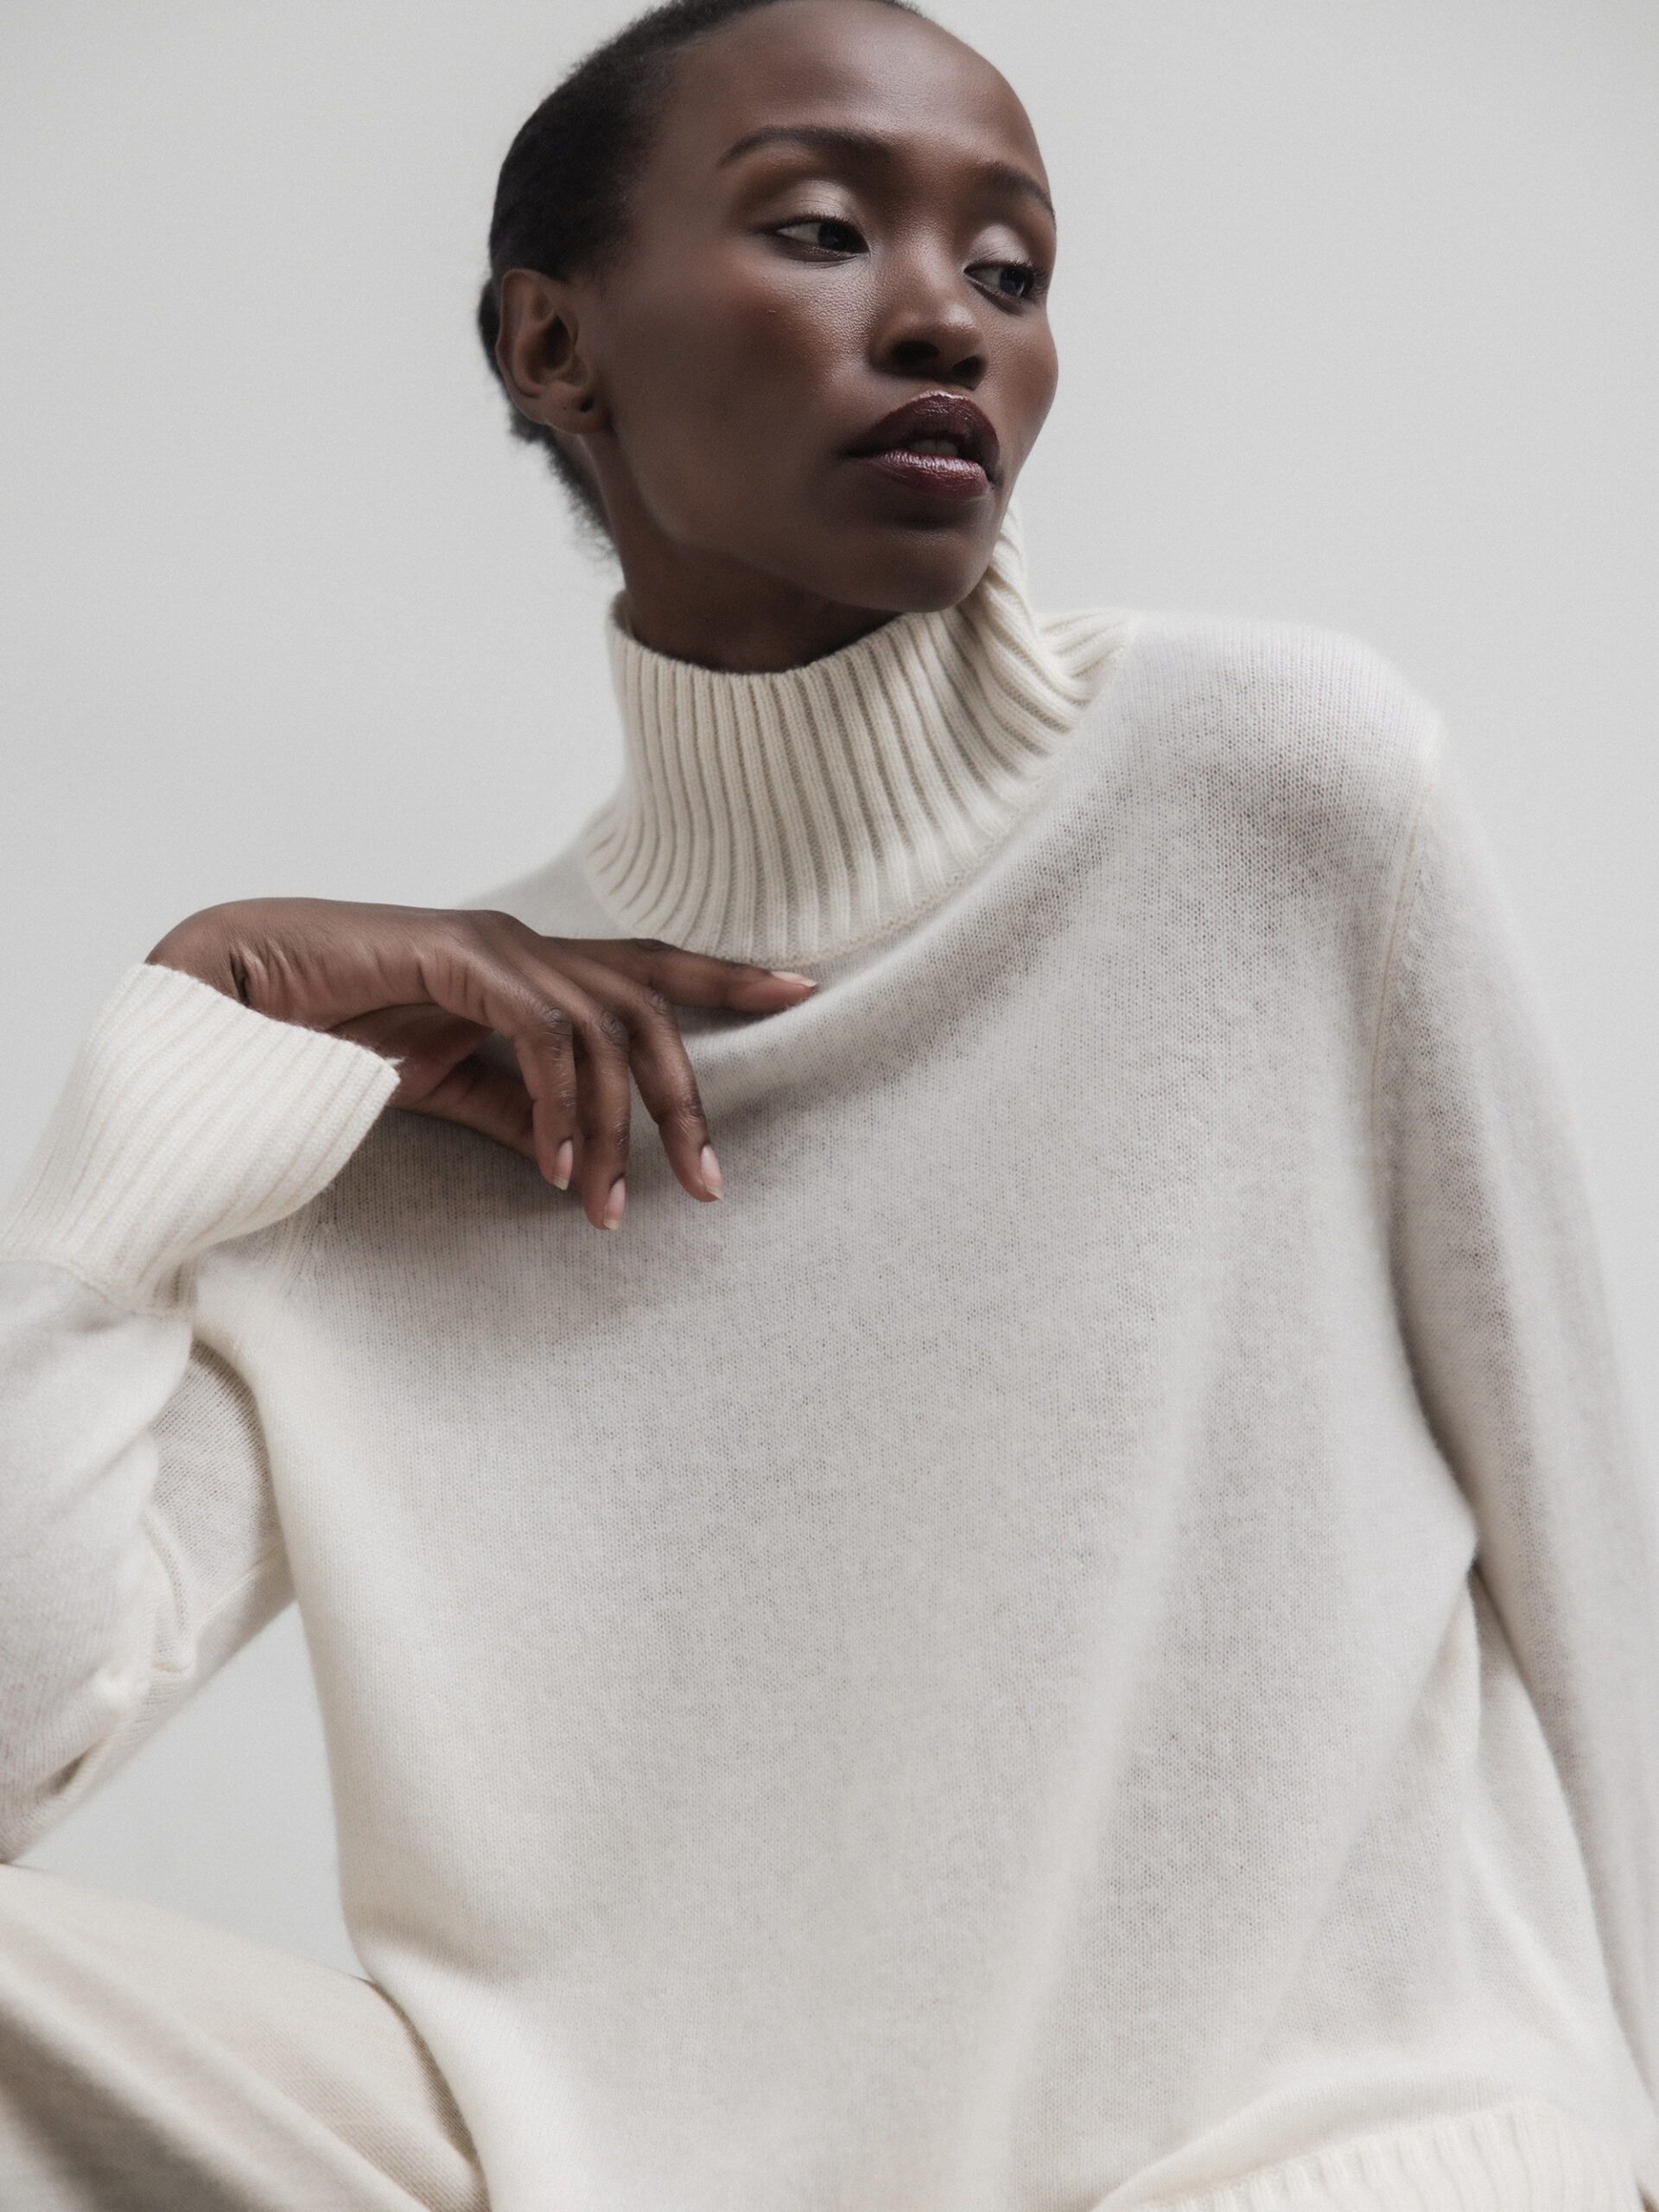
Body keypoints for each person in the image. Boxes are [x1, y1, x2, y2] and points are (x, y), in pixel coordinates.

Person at [1, 0, 1655, 2204]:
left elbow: (1582, 1532)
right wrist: (165, 1075)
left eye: (1011, 268)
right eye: (818, 227)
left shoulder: (1283, 791)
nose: (949, 321)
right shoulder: (401, 1097)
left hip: (1320, 2152)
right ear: (551, 344)